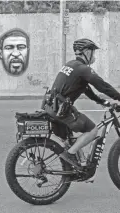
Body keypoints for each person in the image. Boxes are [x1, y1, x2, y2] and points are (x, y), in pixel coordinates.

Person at [46, 38, 120, 167]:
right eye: (93, 52)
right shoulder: (82, 69)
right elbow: (103, 86)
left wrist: (101, 101)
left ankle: (76, 167)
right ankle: (70, 155)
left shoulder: (71, 65)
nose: (94, 55)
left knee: (71, 140)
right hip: (62, 111)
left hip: (51, 108)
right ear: (86, 51)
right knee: (92, 130)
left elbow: (85, 88)